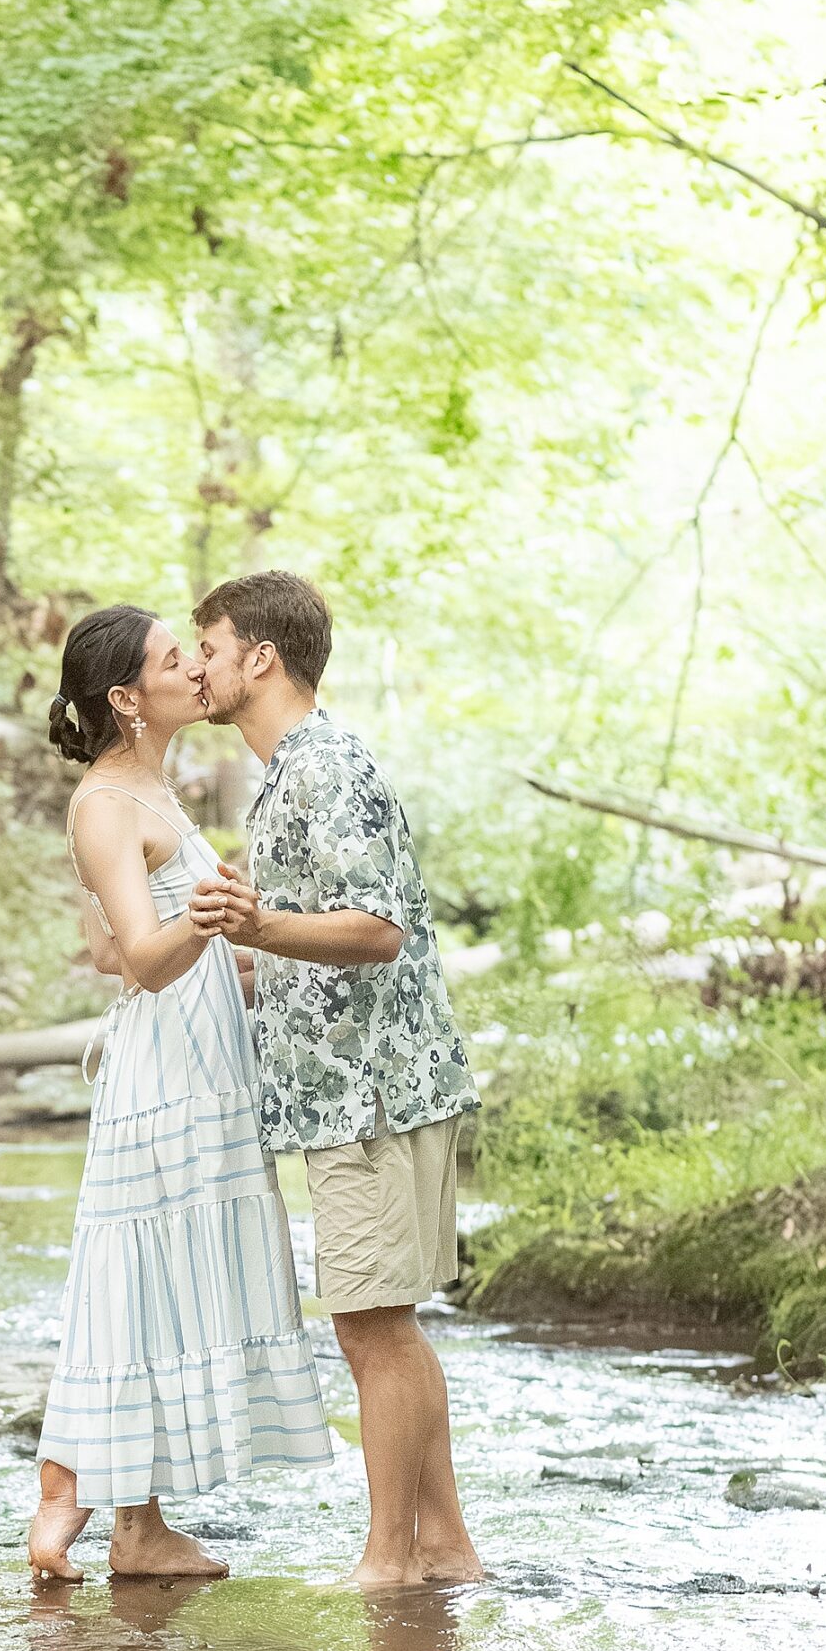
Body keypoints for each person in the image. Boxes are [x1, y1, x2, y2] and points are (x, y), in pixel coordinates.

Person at [189, 571, 483, 1588]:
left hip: (374, 1097)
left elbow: (376, 928)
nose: (202, 668)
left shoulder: (325, 769)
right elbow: (311, 946)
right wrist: (226, 959)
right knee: (383, 1321)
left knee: (370, 1326)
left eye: (214, 650)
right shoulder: (283, 775)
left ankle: (389, 1559)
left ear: (262, 658)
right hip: (346, 1095)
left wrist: (260, 926)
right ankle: (444, 1547)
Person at [29, 604, 331, 1585]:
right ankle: (96, 1509)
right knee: (143, 1281)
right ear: (126, 698)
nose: (197, 670)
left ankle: (112, 1513)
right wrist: (207, 920)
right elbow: (143, 962)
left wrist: (224, 930)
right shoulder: (108, 803)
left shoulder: (150, 787)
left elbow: (112, 942)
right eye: (174, 660)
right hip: (162, 1076)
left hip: (202, 1067)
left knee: (162, 1283)